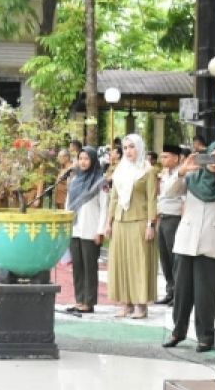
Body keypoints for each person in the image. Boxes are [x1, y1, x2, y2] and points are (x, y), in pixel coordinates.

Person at [162, 141, 215, 353]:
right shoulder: (192, 178)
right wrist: (182, 171)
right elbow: (169, 192)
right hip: (186, 241)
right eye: (212, 155)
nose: (214, 160)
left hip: (213, 243)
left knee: (205, 293)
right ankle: (178, 332)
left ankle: (205, 336)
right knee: (182, 291)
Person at [104, 134, 159, 319]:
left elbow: (152, 199)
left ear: (140, 148)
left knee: (138, 263)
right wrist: (108, 222)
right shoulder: (120, 170)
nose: (128, 151)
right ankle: (125, 303)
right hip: (120, 221)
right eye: (125, 147)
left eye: (132, 147)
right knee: (121, 262)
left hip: (139, 220)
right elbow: (114, 198)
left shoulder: (148, 170)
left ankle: (140, 305)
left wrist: (151, 224)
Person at [63, 147, 108, 315]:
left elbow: (105, 207)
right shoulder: (74, 181)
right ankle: (79, 300)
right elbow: (68, 205)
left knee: (90, 267)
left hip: (91, 230)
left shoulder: (100, 181)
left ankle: (89, 302)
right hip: (75, 228)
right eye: (80, 158)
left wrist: (101, 230)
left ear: (93, 160)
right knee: (78, 267)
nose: (83, 162)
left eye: (86, 159)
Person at [155, 144, 187, 307]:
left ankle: (178, 294)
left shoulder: (182, 173)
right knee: (165, 257)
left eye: (166, 156)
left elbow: (171, 191)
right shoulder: (165, 173)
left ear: (176, 158)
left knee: (175, 258)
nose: (163, 159)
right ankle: (170, 290)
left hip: (174, 218)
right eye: (162, 156)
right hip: (163, 216)